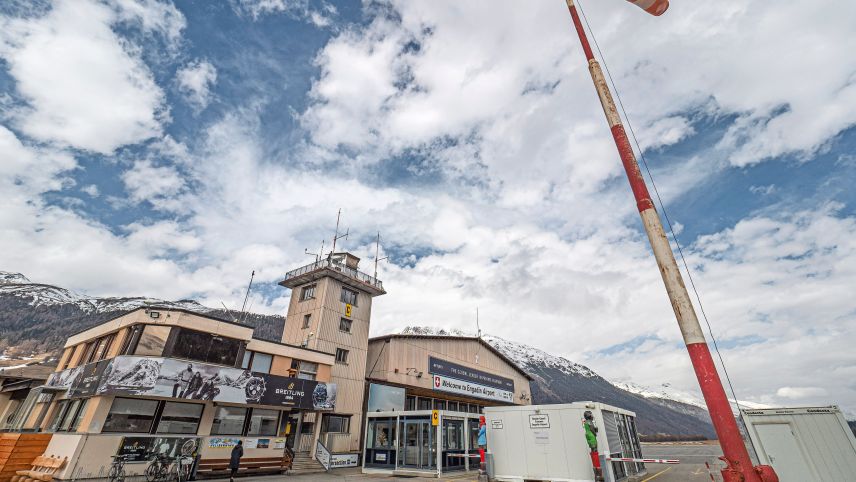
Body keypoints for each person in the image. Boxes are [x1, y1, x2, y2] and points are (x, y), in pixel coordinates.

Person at [583, 411, 604, 482]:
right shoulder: (589, 422)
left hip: (588, 436)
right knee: (595, 450)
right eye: (591, 414)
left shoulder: (585, 422)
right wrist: (595, 432)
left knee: (593, 451)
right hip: (592, 437)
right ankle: (598, 472)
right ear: (589, 415)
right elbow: (592, 429)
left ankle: (596, 470)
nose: (592, 416)